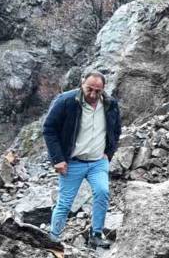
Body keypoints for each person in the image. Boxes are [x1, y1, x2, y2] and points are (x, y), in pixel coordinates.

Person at [42, 71, 121, 248]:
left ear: (104, 89)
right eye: (89, 89)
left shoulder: (110, 104)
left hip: (98, 162)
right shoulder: (66, 101)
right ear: (81, 83)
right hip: (72, 162)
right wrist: (58, 159)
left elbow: (116, 130)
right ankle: (53, 239)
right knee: (65, 203)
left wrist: (109, 153)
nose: (92, 94)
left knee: (102, 192)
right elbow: (49, 129)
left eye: (97, 91)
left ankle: (96, 234)